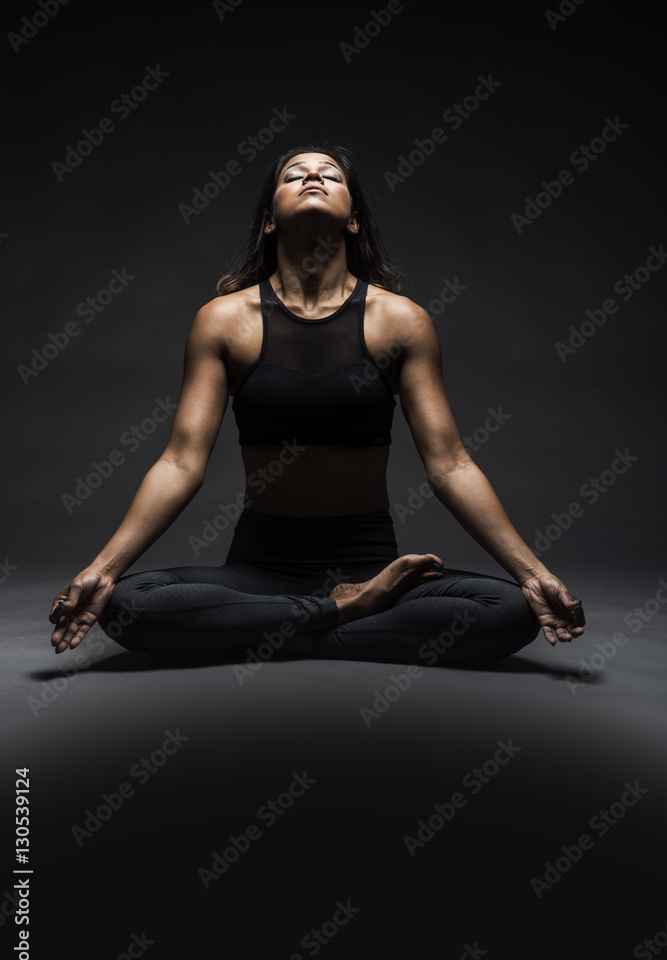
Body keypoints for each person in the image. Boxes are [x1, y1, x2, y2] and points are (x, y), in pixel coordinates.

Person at [48, 143, 585, 667]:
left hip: (376, 565)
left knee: (512, 609)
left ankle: (282, 630)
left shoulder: (399, 321)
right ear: (269, 221)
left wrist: (533, 572)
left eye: (329, 173)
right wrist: (103, 568)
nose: (312, 177)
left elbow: (450, 465)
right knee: (126, 604)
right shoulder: (223, 321)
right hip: (259, 569)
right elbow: (181, 462)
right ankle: (341, 614)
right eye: (293, 174)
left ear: (354, 220)